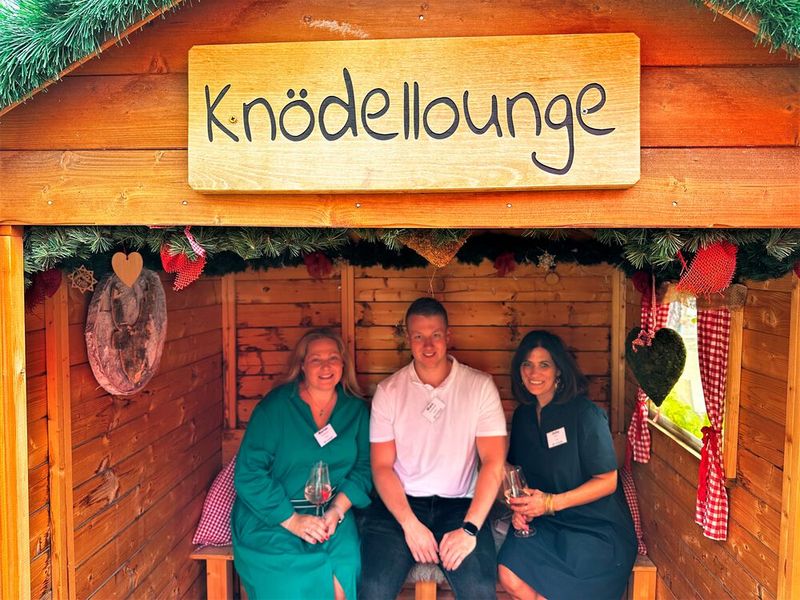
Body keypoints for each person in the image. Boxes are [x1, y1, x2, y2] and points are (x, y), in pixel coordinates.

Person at [360, 297, 507, 599]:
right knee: (373, 588)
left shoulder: (479, 386)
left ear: (448, 336)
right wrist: (409, 525)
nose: (428, 345)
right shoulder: (390, 391)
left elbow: (493, 462)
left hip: (460, 506)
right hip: (400, 506)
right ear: (407, 339)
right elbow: (381, 467)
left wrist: (470, 529)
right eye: (419, 336)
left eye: (435, 335)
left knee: (480, 589)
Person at [231, 328, 371, 600]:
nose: (326, 366)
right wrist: (292, 520)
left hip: (332, 515)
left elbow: (365, 468)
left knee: (341, 580)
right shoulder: (276, 407)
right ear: (302, 365)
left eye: (333, 358)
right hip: (273, 516)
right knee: (293, 586)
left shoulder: (355, 410)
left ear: (343, 364)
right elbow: (249, 474)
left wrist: (337, 510)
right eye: (316, 359)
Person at [497, 330, 637, 600]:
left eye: (544, 364)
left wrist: (550, 503)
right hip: (548, 524)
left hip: (595, 527)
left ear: (559, 370)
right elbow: (518, 475)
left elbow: (608, 482)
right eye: (527, 364)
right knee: (508, 573)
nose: (533, 372)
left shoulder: (585, 414)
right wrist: (521, 510)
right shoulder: (524, 416)